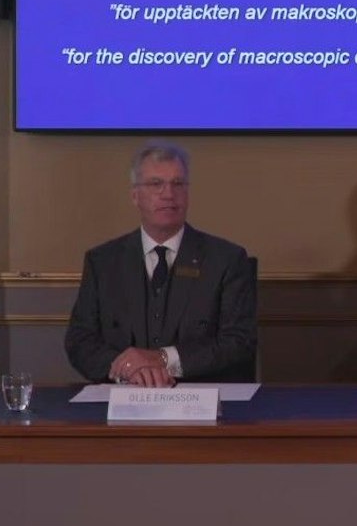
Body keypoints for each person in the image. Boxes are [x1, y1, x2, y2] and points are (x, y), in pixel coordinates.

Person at [64, 143, 258, 385]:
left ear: (187, 193)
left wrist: (163, 358)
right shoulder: (103, 262)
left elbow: (238, 342)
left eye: (178, 184)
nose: (168, 194)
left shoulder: (226, 259)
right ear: (135, 195)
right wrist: (129, 369)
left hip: (202, 402)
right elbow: (80, 341)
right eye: (156, 184)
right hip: (122, 399)